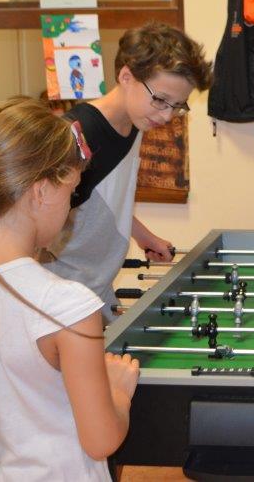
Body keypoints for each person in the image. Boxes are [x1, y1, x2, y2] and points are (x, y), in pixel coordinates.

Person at [0, 96, 140, 480]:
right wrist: (118, 392)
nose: (70, 209)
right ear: (41, 192)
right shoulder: (68, 304)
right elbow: (101, 440)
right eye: (71, 193)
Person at [44, 21, 212, 320]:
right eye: (160, 100)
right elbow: (30, 226)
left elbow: (101, 197)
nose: (167, 115)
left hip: (95, 288)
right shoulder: (76, 136)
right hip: (62, 298)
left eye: (178, 105)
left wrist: (142, 235)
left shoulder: (136, 122)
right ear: (126, 76)